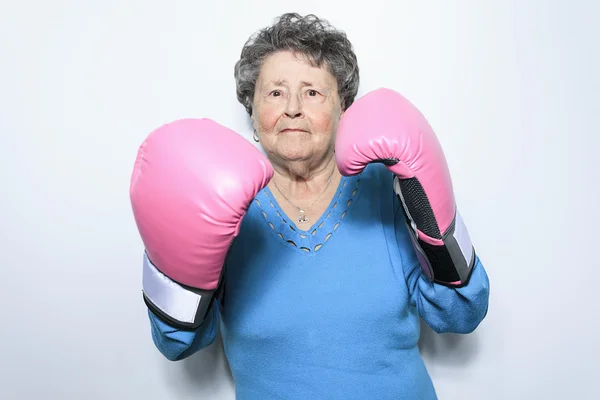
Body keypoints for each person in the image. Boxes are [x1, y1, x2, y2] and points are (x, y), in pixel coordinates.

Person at [129, 12, 490, 400]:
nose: (293, 109)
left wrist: (434, 223)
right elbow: (177, 345)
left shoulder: (389, 190)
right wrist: (175, 267)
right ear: (252, 110)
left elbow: (460, 315)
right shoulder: (220, 207)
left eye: (312, 92)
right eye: (275, 93)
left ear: (343, 107)